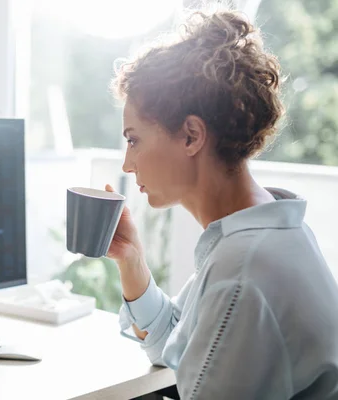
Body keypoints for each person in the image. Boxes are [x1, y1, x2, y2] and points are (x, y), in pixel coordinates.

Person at [106, 9, 338, 399]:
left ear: (192, 136)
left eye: (134, 140)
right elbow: (174, 345)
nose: (128, 165)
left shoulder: (243, 270)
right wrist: (132, 261)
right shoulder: (260, 234)